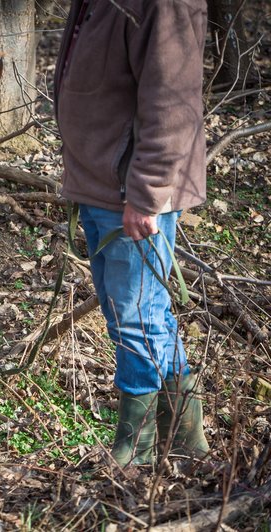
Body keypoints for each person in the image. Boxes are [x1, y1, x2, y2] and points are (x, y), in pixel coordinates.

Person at [54, 0, 210, 467]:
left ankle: (137, 448)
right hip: (103, 183)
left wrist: (146, 195)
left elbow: (173, 102)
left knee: (135, 317)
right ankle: (183, 441)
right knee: (143, 312)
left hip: (132, 192)